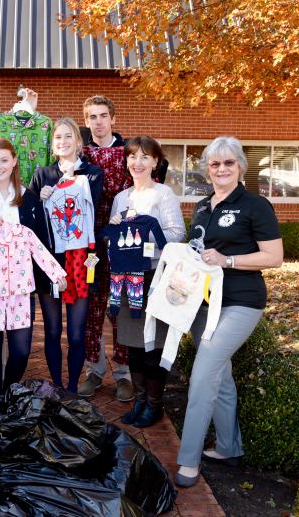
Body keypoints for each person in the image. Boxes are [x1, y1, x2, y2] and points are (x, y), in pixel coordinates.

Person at [174, 136, 283, 487]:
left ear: (240, 167)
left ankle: (188, 461)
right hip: (203, 304)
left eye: (228, 163)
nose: (221, 169)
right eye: (215, 164)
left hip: (241, 303)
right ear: (207, 170)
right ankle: (228, 447)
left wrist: (229, 260)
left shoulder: (255, 205)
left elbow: (274, 257)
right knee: (220, 376)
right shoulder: (203, 207)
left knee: (204, 373)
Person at [0, 137, 67, 397]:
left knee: (21, 349)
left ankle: (9, 391)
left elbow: (39, 241)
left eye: (3, 160)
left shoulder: (28, 199)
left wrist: (52, 277)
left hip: (21, 287)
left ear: (14, 161)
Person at [104, 136, 186, 428]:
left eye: (144, 157)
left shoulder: (163, 195)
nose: (137, 163)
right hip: (127, 279)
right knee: (133, 344)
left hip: (154, 276)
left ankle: (155, 404)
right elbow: (114, 244)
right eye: (132, 157)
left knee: (153, 343)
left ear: (155, 162)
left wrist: (140, 238)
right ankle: (139, 401)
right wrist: (116, 232)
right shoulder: (121, 199)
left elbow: (176, 234)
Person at [29, 117, 103, 393]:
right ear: (53, 144)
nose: (63, 141)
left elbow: (91, 206)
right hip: (51, 262)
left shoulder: (92, 173)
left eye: (68, 136)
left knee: (75, 332)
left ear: (78, 142)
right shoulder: (42, 175)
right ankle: (57, 384)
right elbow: (33, 219)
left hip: (80, 262)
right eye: (58, 137)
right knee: (51, 330)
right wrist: (40, 197)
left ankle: (72, 387)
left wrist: (69, 180)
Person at [79, 94, 133, 401]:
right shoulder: (80, 155)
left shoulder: (130, 154)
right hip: (88, 246)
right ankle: (95, 369)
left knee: (122, 306)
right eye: (92, 117)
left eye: (103, 116)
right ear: (86, 122)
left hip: (122, 243)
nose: (98, 122)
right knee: (93, 308)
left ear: (112, 118)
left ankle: (123, 373)